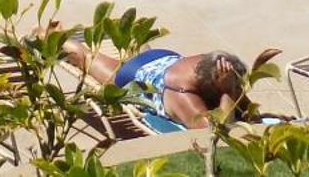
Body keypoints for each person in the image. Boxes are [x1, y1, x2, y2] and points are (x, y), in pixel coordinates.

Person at [65, 43, 259, 129]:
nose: (235, 89)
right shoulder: (182, 95)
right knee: (85, 57)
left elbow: (238, 93)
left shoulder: (214, 62)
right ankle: (47, 35)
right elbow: (216, 132)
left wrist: (236, 92)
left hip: (162, 56)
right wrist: (226, 91)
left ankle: (141, 46)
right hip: (135, 72)